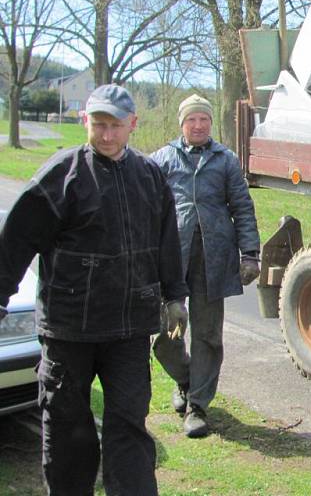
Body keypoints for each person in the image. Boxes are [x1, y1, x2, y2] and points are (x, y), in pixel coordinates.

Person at [0, 84, 189, 495]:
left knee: (128, 428)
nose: (106, 135)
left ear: (132, 125)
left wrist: (175, 296)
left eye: (115, 126)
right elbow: (15, 240)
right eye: (98, 125)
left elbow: (167, 241)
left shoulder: (150, 176)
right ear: (85, 122)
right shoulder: (60, 175)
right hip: (70, 330)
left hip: (128, 330)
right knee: (68, 430)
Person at [151, 94, 260, 438]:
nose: (198, 125)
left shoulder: (225, 159)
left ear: (211, 123)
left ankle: (197, 405)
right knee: (165, 333)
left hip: (213, 259)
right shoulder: (162, 159)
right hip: (171, 259)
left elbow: (242, 207)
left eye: (204, 120)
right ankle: (186, 379)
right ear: (181, 124)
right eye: (191, 120)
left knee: (208, 334)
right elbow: (147, 209)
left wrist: (250, 253)